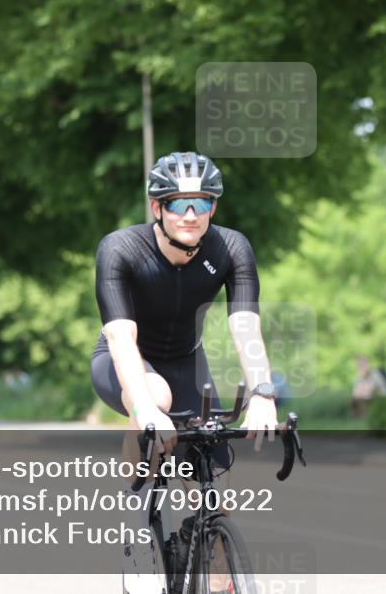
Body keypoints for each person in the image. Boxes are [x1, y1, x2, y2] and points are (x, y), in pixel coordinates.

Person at [90, 152, 277, 593]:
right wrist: (144, 408)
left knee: (212, 476)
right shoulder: (120, 249)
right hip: (128, 360)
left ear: (214, 207)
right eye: (178, 203)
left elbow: (245, 326)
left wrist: (264, 393)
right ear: (157, 207)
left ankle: (213, 563)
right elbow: (120, 337)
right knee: (155, 397)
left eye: (202, 203)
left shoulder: (232, 248)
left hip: (188, 363)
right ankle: (137, 518)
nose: (190, 214)